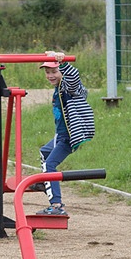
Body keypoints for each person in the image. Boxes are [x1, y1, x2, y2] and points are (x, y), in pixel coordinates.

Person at [36, 50, 96, 216]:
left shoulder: (70, 89)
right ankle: (46, 181)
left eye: (54, 72)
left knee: (50, 165)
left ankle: (56, 205)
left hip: (70, 137)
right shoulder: (57, 90)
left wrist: (63, 63)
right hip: (60, 135)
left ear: (62, 71)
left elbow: (73, 78)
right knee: (44, 152)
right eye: (48, 72)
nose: (50, 76)